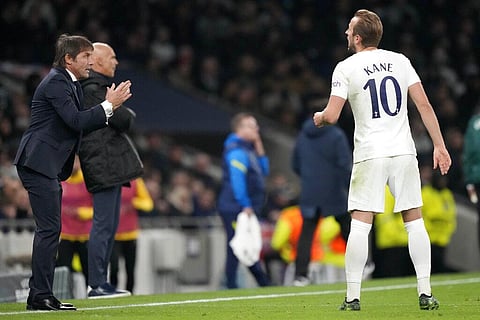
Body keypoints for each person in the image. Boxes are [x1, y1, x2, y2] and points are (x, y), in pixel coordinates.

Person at [313, 9, 451, 311]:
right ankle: (425, 293)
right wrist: (439, 146)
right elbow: (424, 104)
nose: (346, 34)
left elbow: (333, 115)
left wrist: (320, 117)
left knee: (361, 226)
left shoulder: (346, 68)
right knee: (414, 223)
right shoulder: (401, 62)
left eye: (350, 29)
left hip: (370, 154)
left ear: (358, 37)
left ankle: (352, 298)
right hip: (403, 151)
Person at [13, 34, 132, 311]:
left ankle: (41, 295)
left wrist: (107, 107)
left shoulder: (69, 83)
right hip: (38, 162)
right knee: (50, 230)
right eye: (86, 57)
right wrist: (108, 105)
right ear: (69, 58)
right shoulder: (56, 82)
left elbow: (78, 124)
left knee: (50, 230)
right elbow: (76, 120)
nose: (91, 62)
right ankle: (40, 296)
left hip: (45, 164)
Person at [78, 42, 143, 298]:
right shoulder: (93, 89)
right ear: (94, 62)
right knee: (103, 226)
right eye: (112, 57)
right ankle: (96, 283)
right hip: (102, 162)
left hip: (107, 163)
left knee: (108, 226)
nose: (116, 62)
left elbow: (125, 118)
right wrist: (118, 107)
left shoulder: (95, 88)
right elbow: (125, 119)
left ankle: (101, 283)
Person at [291, 117, 352, 286]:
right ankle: (363, 264)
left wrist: (309, 178)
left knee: (307, 233)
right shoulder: (336, 135)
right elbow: (344, 164)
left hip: (310, 191)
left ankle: (300, 275)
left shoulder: (303, 135)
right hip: (333, 190)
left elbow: (294, 164)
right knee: (347, 228)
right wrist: (349, 188)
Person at [217, 112, 270, 288]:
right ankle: (259, 283)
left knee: (238, 244)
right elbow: (236, 180)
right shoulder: (236, 151)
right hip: (235, 206)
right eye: (252, 125)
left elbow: (264, 172)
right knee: (238, 245)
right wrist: (245, 204)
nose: (257, 129)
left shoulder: (247, 149)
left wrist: (259, 146)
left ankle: (236, 284)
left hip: (240, 206)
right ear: (240, 128)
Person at [109, 177, 153, 293]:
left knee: (130, 269)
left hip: (130, 234)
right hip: (114, 234)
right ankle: (113, 291)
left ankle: (130, 293)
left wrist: (133, 202)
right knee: (114, 267)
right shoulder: (109, 180)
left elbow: (148, 204)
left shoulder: (136, 182)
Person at [56, 156, 93, 287]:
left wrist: (81, 213)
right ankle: (63, 296)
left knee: (88, 270)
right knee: (64, 271)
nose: (73, 165)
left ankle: (92, 294)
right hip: (66, 234)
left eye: (76, 161)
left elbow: (97, 209)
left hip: (84, 234)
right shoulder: (60, 181)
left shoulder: (88, 181)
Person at [421, 168, 456, 274]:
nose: (443, 182)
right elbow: (422, 215)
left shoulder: (447, 194)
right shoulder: (425, 193)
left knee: (440, 266)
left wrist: (448, 232)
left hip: (443, 238)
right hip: (429, 237)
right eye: (440, 179)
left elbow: (451, 215)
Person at [462, 108, 480, 255]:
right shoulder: (474, 124)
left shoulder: (473, 123)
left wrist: (469, 182)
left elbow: (468, 155)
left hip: (476, 179)